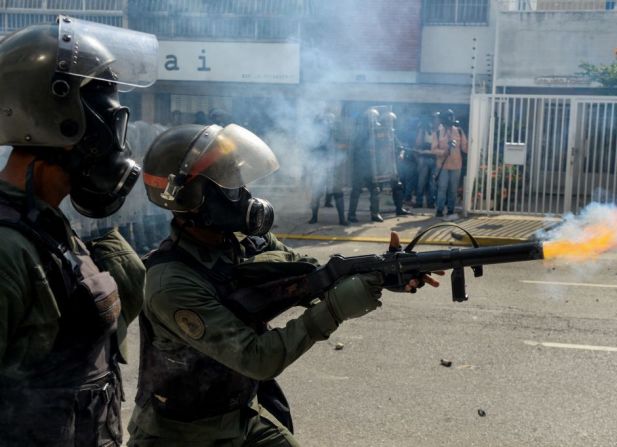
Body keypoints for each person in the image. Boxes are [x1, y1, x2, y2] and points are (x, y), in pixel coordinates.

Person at [128, 123, 440, 446]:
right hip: (177, 436)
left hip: (237, 421)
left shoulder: (242, 241)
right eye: (230, 185)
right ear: (193, 198)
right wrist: (333, 310)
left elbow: (308, 274)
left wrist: (386, 273)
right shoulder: (172, 282)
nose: (245, 194)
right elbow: (257, 358)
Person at [0, 16, 158, 445]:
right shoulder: (8, 249)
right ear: (58, 119)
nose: (116, 143)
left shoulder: (48, 227)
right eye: (107, 120)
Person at [307, 112, 348, 226]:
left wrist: (338, 146)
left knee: (338, 193)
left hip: (334, 167)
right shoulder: (317, 136)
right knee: (316, 193)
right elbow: (312, 150)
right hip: (320, 167)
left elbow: (345, 147)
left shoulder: (338, 134)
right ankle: (314, 217)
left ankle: (342, 219)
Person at [431, 110, 468, 219]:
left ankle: (451, 209)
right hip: (443, 165)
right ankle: (439, 210)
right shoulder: (437, 133)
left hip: (456, 165)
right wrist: (443, 152)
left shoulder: (459, 131)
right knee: (442, 188)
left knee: (453, 189)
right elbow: (433, 149)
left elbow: (465, 147)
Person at [413, 113, 439, 209]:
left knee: (432, 182)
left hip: (435, 158)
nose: (435, 121)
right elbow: (418, 143)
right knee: (422, 181)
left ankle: (430, 202)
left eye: (436, 119)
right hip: (424, 158)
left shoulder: (440, 131)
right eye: (434, 119)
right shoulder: (424, 130)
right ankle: (419, 202)